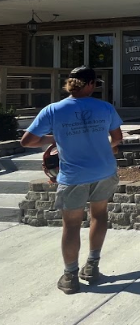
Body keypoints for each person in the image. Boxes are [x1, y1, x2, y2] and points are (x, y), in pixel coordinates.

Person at [21, 66, 123, 295]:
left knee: (72, 224)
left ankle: (70, 277)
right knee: (99, 215)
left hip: (73, 176)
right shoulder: (105, 107)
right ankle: (92, 267)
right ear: (89, 84)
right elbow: (117, 139)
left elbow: (27, 141)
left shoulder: (53, 110)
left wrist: (56, 137)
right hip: (104, 171)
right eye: (94, 84)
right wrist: (99, 145)